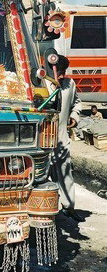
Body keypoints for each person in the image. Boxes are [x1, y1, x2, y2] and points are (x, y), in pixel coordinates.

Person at [49, 55, 84, 222]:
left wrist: (74, 116)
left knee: (65, 173)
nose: (61, 76)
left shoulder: (69, 84)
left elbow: (77, 102)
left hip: (61, 139)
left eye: (63, 72)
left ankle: (69, 207)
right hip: (42, 142)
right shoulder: (40, 84)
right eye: (59, 72)